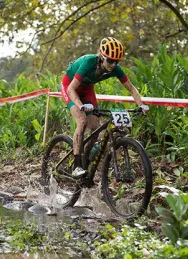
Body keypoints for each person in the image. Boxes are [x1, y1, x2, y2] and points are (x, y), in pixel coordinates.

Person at [60, 37, 149, 178]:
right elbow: (71, 89)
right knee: (82, 121)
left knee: (95, 128)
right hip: (70, 86)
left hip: (87, 88)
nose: (113, 64)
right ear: (102, 56)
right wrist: (80, 106)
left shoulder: (115, 69)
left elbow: (131, 88)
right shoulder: (89, 62)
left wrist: (141, 105)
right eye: (110, 60)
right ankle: (76, 166)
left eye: (116, 61)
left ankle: (86, 159)